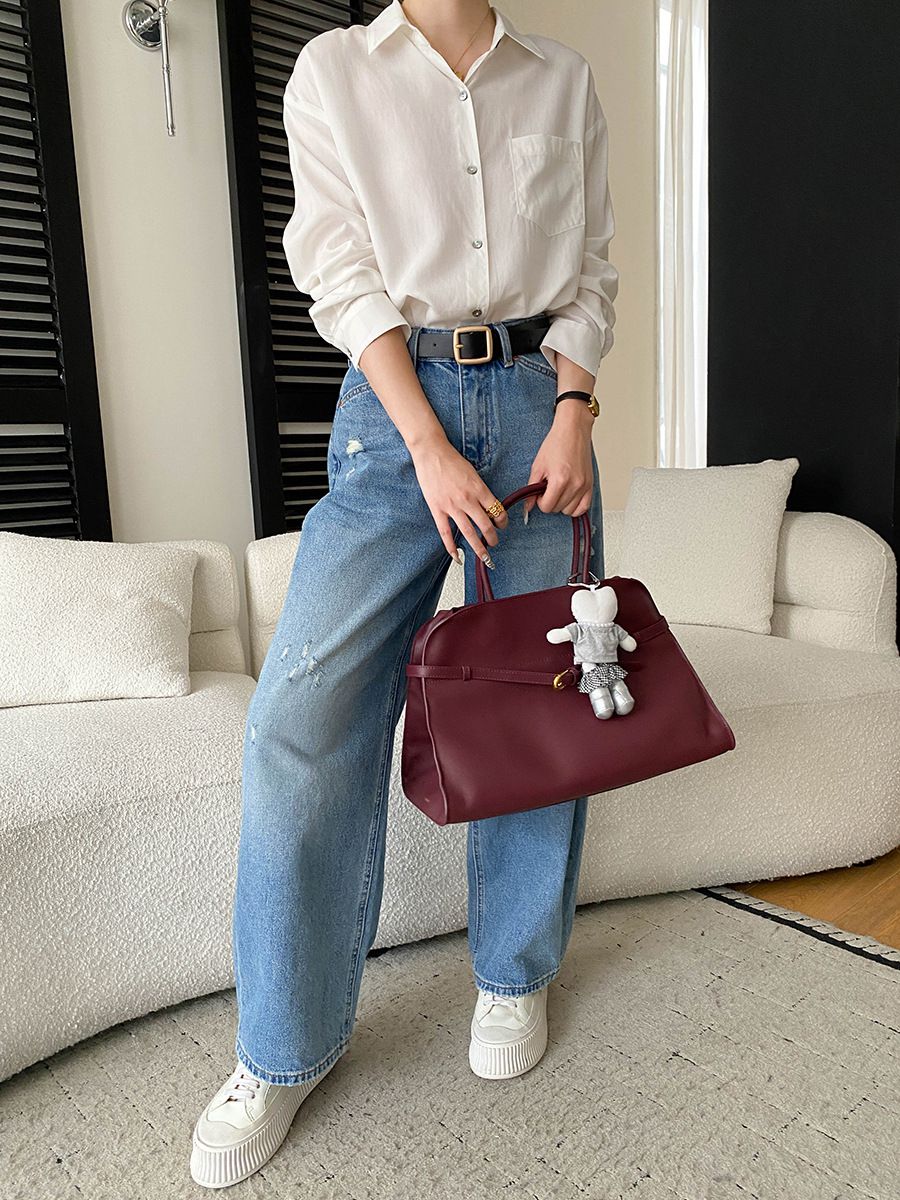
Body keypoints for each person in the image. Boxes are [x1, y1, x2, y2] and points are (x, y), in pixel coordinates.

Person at [190, 0, 618, 1187]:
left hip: (540, 408)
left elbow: (589, 268)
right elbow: (338, 268)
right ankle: (282, 1048)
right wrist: (427, 443)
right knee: (301, 715)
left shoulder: (563, 77)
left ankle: (515, 973)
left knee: (535, 708)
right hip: (393, 419)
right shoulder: (334, 71)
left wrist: (575, 410)